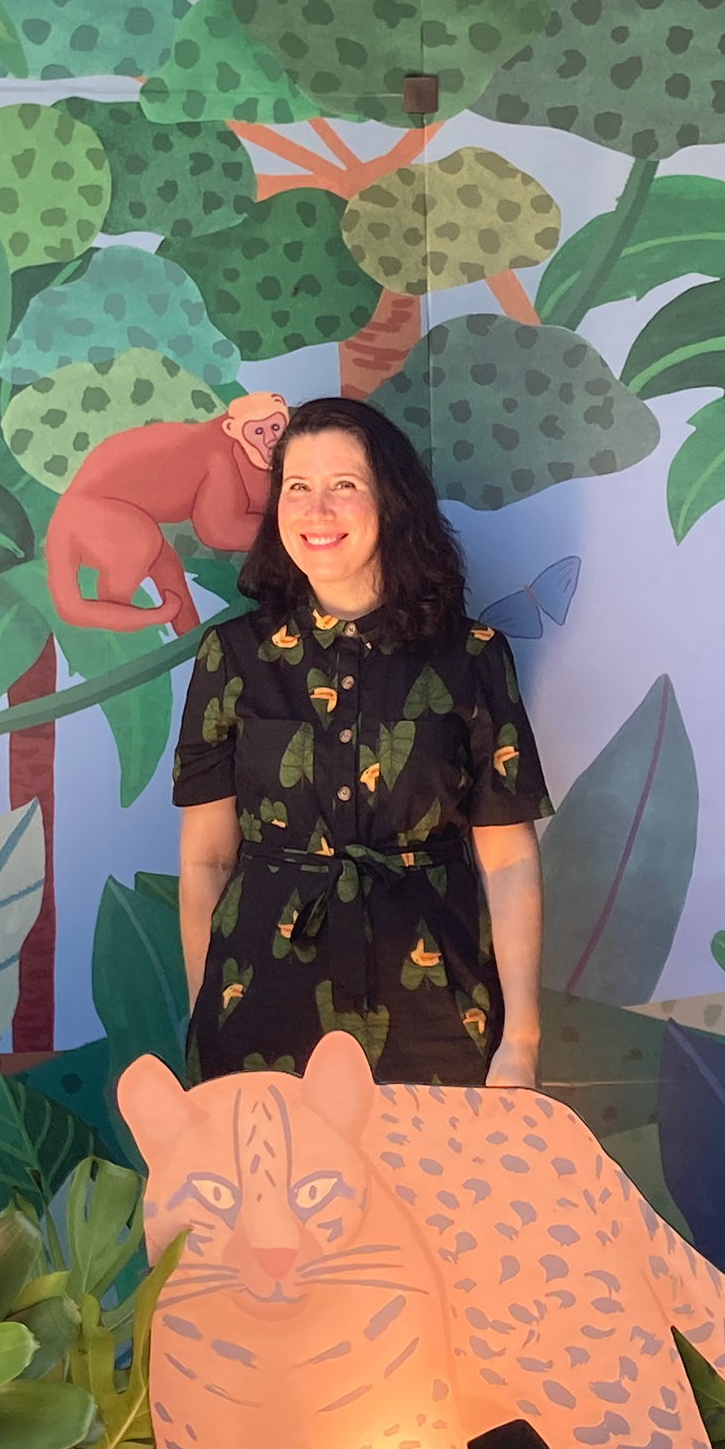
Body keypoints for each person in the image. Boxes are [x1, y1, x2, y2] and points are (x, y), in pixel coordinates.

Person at [171, 396, 551, 1088]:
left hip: (437, 1014)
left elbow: (509, 861)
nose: (316, 511)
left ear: (392, 501)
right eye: (297, 487)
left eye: (343, 485)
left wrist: (520, 1041)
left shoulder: (472, 657)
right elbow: (205, 860)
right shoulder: (231, 657)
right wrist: (209, 1012)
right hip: (260, 1016)